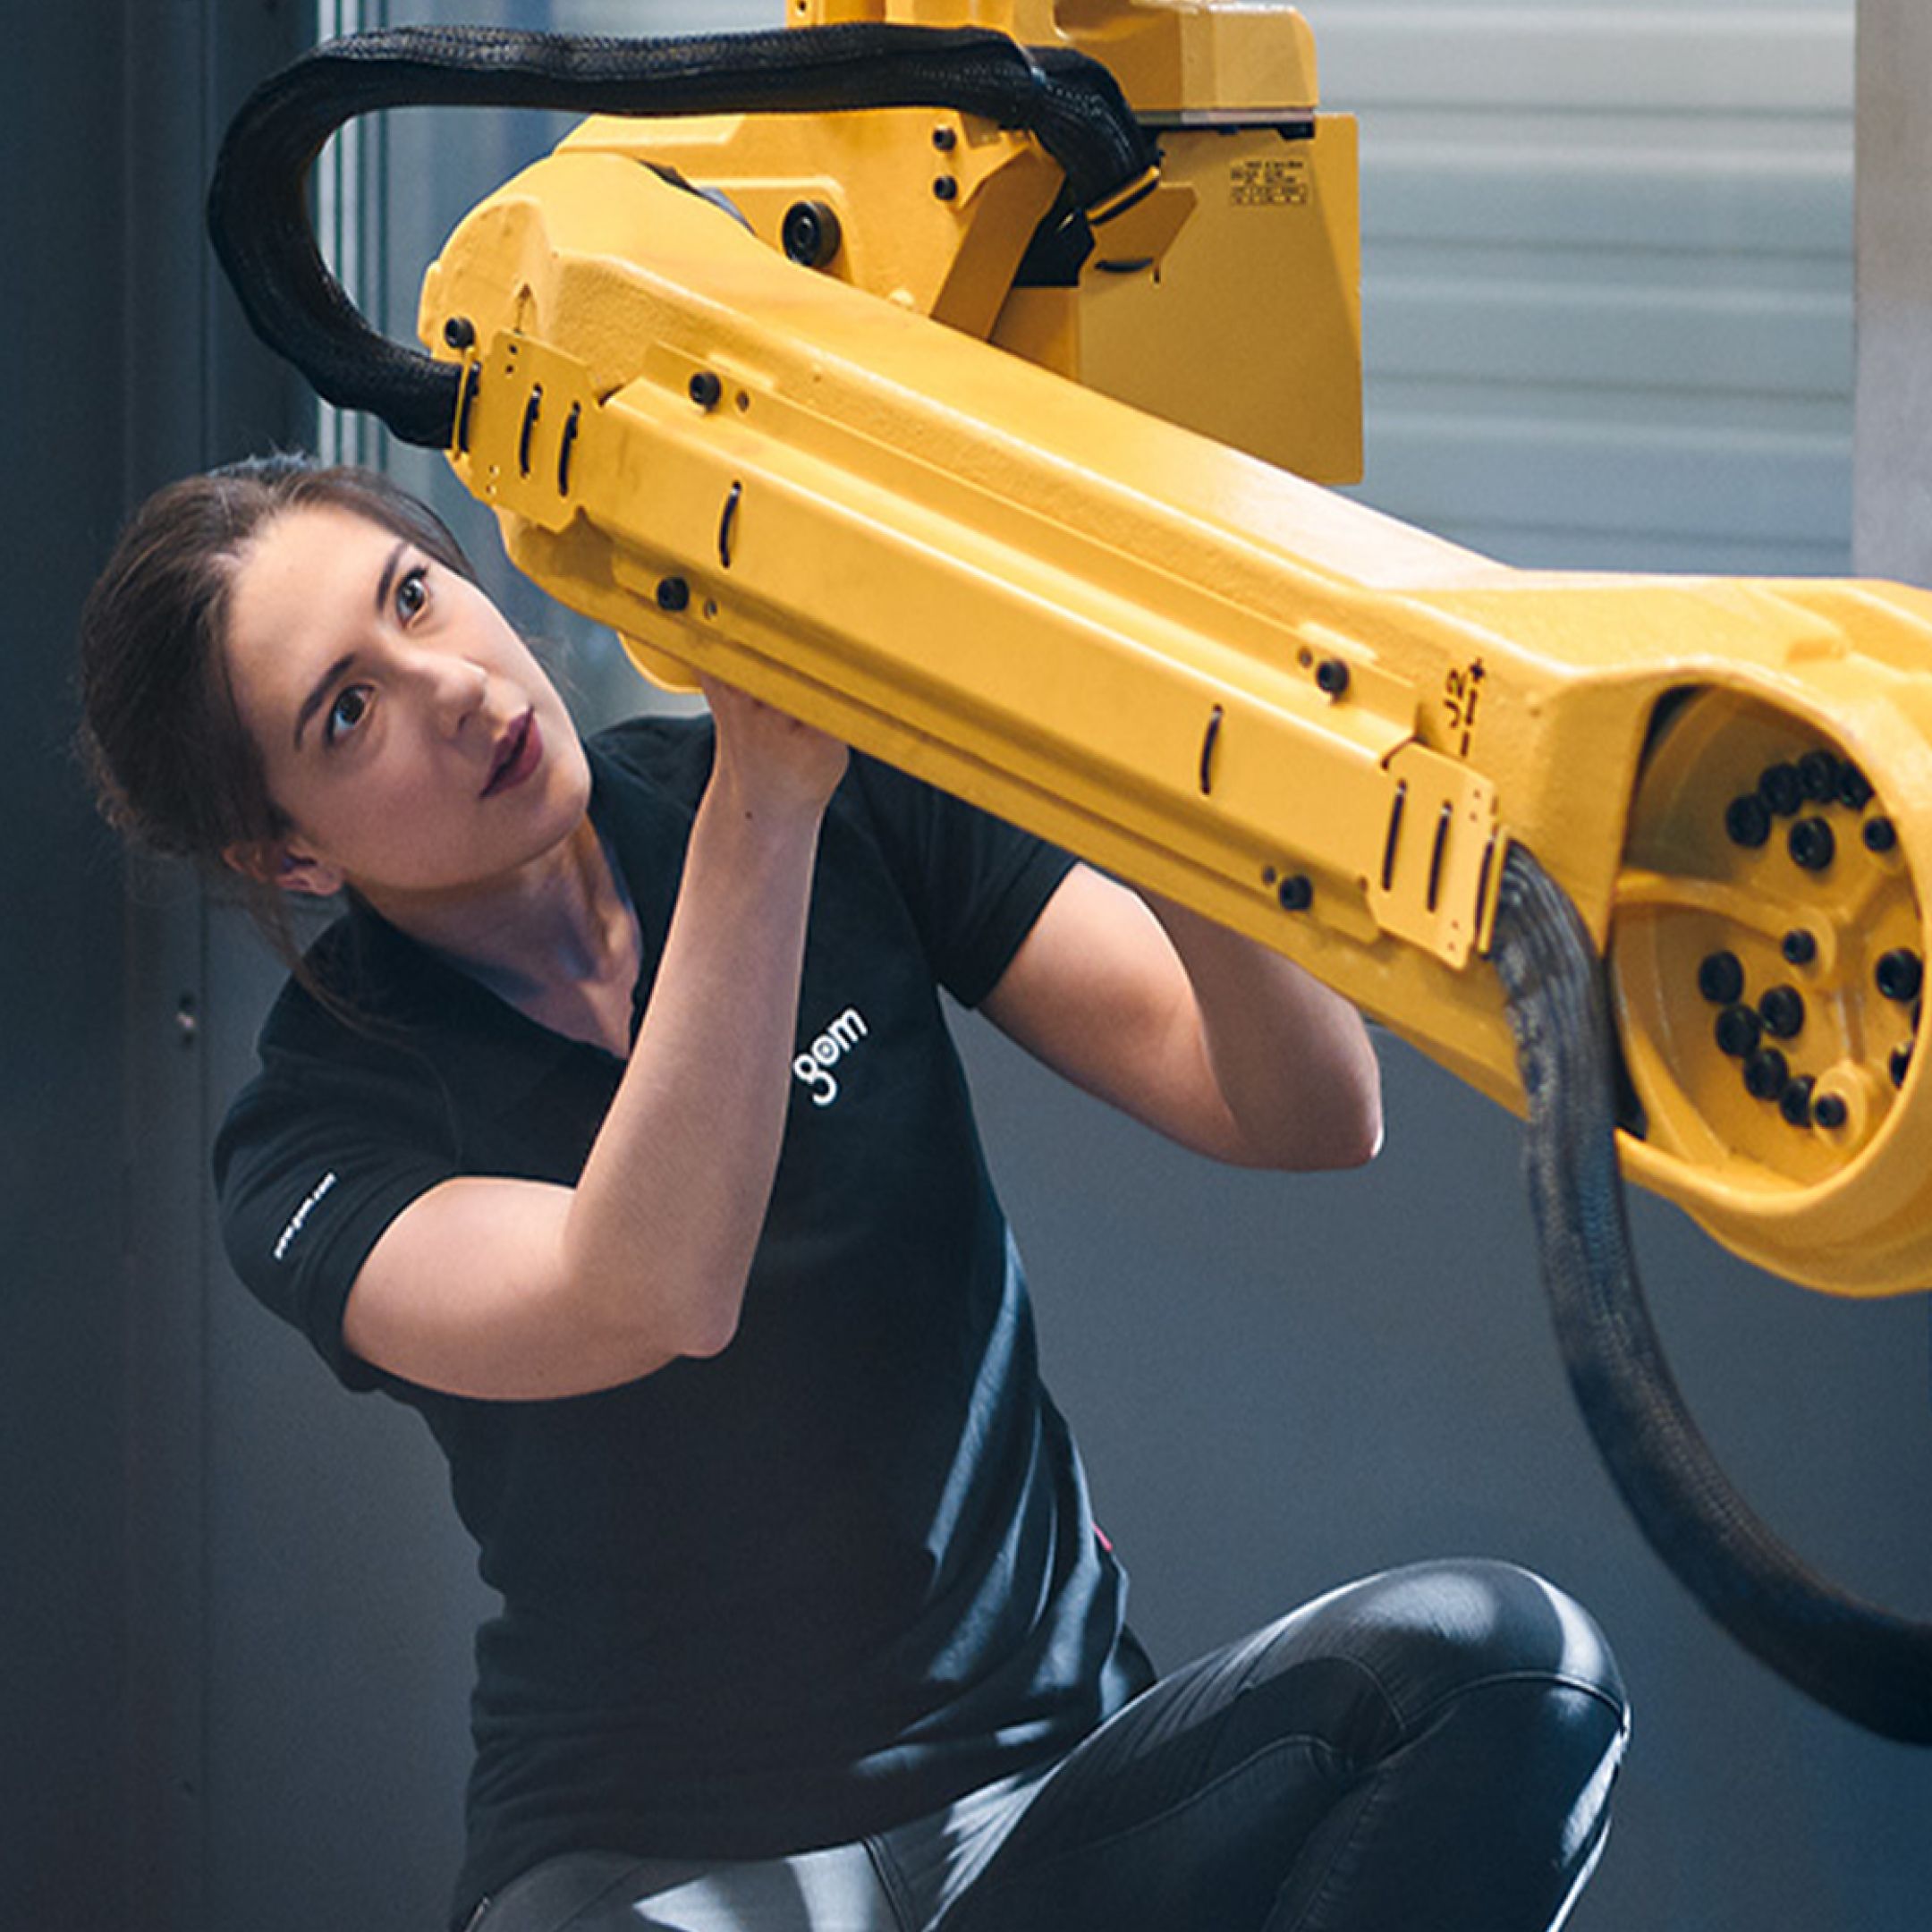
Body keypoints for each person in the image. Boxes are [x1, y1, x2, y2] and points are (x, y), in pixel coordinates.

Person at [79, 454, 1628, 1932]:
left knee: (1506, 1675)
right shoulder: (308, 1135)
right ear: (287, 855)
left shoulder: (829, 793)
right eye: (347, 713)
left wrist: (1166, 748)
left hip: (1047, 1795)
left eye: (414, 597)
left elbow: (1304, 1107)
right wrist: (765, 805)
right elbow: (654, 1286)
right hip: (647, 1862)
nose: (455, 688)